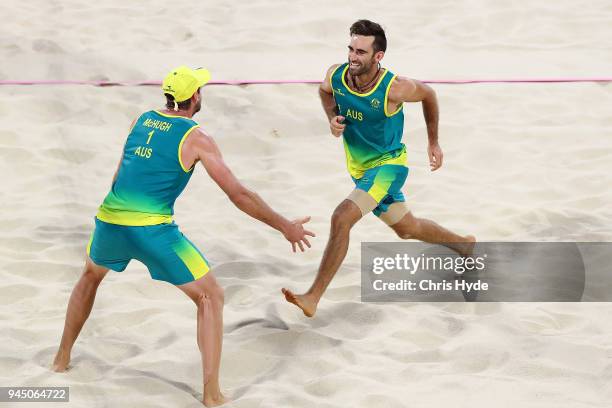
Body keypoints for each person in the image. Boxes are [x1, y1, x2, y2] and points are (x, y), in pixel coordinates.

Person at [52, 66, 314, 407]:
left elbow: (118, 177)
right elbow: (239, 195)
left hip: (109, 218)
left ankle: (60, 361)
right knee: (211, 296)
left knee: (90, 276)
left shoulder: (141, 120)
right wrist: (285, 226)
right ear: (195, 97)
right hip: (152, 230)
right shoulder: (197, 137)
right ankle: (212, 395)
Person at [282, 20, 475, 318]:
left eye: (361, 51)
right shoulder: (336, 75)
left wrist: (433, 143)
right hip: (361, 170)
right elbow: (325, 93)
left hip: (389, 167)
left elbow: (429, 95)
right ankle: (464, 245)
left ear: (378, 56)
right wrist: (332, 117)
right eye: (350, 48)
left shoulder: (394, 88)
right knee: (407, 228)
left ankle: (313, 296)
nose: (352, 56)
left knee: (341, 218)